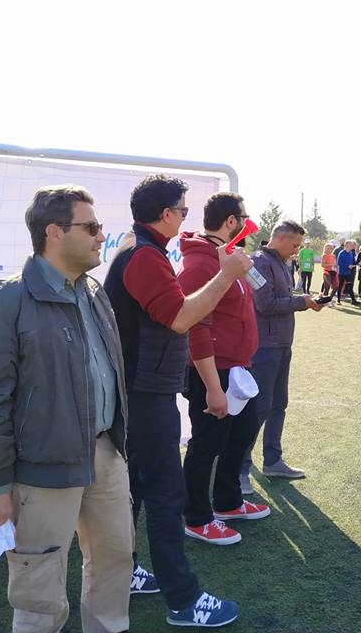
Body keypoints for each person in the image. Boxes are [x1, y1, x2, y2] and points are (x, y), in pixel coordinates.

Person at [0, 185, 134, 633]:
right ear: (54, 232)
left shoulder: (93, 291)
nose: (102, 236)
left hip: (105, 454)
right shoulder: (3, 302)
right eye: (91, 227)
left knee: (116, 559)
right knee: (39, 585)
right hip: (41, 468)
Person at [104, 174, 253, 628]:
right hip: (144, 397)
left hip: (140, 393)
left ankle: (125, 572)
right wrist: (226, 275)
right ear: (166, 213)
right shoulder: (144, 256)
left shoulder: (141, 249)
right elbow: (181, 317)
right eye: (184, 211)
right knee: (166, 497)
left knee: (133, 491)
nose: (187, 219)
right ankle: (183, 600)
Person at [176, 192, 271, 548]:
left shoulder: (227, 256)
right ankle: (196, 517)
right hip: (213, 371)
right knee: (207, 443)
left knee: (241, 433)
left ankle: (228, 501)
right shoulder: (201, 264)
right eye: (243, 218)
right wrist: (213, 387)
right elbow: (195, 327)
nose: (248, 224)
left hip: (236, 368)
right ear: (231, 221)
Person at [243, 221, 322, 485]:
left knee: (278, 405)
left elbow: (279, 299)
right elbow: (264, 304)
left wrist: (305, 300)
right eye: (295, 245)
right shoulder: (259, 262)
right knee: (259, 407)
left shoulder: (279, 261)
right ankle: (240, 468)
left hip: (281, 344)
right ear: (279, 239)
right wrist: (302, 302)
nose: (297, 250)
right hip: (265, 347)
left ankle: (273, 461)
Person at [336, 239, 359, 305]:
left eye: (352, 245)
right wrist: (347, 266)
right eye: (350, 245)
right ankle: (338, 300)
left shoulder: (351, 253)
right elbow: (339, 263)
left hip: (348, 273)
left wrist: (352, 265)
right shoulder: (341, 253)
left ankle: (353, 300)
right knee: (340, 286)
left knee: (350, 286)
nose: (351, 246)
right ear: (346, 245)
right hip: (342, 273)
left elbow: (351, 262)